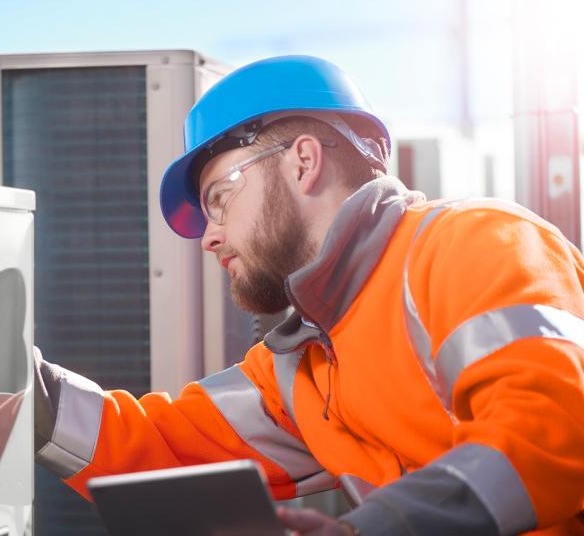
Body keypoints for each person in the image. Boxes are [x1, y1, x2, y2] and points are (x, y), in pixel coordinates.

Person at [33, 55, 584, 534]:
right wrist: (19, 390)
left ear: (303, 161)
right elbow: (158, 449)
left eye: (220, 198)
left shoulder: (476, 243)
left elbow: (553, 435)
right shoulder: (301, 364)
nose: (209, 237)